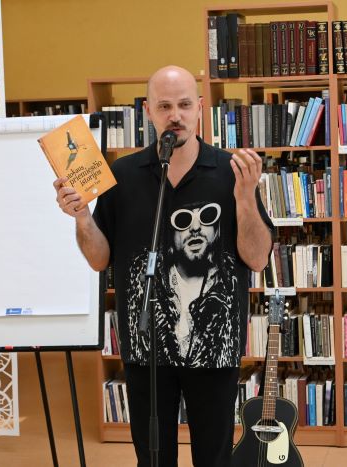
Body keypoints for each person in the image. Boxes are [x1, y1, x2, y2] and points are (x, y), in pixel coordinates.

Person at [53, 65, 273, 467]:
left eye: (185, 105)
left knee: (214, 459)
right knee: (153, 459)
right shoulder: (121, 176)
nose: (176, 115)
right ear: (148, 112)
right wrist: (82, 218)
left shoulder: (231, 172)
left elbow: (257, 258)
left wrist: (244, 199)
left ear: (200, 108)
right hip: (146, 349)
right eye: (165, 106)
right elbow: (99, 259)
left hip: (215, 348)